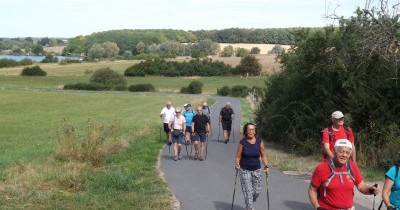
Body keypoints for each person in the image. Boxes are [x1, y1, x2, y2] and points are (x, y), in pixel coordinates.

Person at [309, 139, 379, 210]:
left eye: (347, 153)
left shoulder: (352, 167)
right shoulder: (322, 168)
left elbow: (361, 186)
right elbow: (312, 190)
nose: (344, 155)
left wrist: (370, 190)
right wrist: (317, 207)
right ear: (334, 152)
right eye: (341, 151)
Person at [234, 122, 269, 210]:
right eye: (249, 129)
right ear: (246, 131)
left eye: (253, 129)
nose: (251, 131)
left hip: (256, 169)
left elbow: (263, 155)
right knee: (248, 192)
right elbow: (238, 157)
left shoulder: (259, 142)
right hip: (244, 170)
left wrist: (266, 166)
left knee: (257, 191)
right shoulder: (243, 143)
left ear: (255, 131)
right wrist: (237, 164)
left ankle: (249, 202)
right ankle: (250, 206)